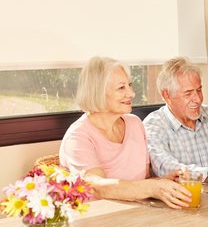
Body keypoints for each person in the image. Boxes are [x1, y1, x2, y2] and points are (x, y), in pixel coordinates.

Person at [60, 57, 191, 209]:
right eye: (121, 88)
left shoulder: (135, 124)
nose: (131, 93)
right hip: (99, 222)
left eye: (129, 85)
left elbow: (144, 179)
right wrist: (153, 187)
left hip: (138, 216)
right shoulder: (78, 137)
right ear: (98, 92)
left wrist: (165, 182)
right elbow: (97, 186)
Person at [143, 57, 208, 187]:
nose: (198, 99)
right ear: (167, 95)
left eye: (199, 90)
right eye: (188, 93)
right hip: (181, 203)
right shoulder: (154, 125)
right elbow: (164, 167)